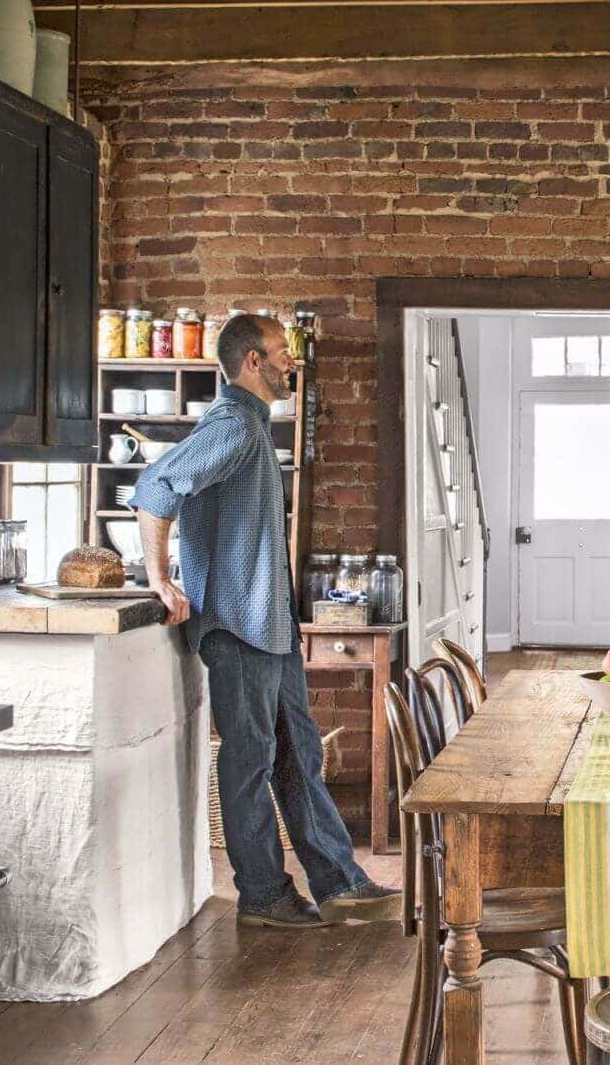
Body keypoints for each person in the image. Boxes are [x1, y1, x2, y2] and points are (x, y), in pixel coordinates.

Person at [130, 313, 399, 929]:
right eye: (281, 353)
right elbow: (155, 487)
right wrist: (157, 576)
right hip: (237, 627)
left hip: (268, 627)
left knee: (297, 756)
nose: (290, 363)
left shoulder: (249, 426)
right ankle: (263, 896)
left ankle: (339, 883)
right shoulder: (233, 426)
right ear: (252, 361)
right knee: (250, 761)